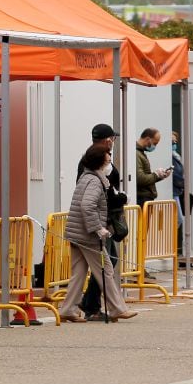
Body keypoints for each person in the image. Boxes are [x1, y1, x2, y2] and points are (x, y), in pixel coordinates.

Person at [58, 144, 137, 323]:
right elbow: (87, 205)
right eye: (107, 155)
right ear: (100, 160)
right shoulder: (95, 180)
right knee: (106, 269)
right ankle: (118, 308)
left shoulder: (87, 177)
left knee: (78, 273)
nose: (110, 157)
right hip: (88, 235)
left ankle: (68, 309)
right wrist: (98, 228)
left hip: (76, 232)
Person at [77, 124, 128, 321]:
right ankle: (95, 305)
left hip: (95, 221)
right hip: (97, 222)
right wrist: (121, 198)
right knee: (106, 263)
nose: (113, 142)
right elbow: (98, 196)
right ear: (108, 140)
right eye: (112, 139)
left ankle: (80, 305)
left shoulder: (89, 160)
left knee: (85, 268)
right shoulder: (98, 165)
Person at [135, 128, 171, 206]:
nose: (154, 146)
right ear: (148, 139)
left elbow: (145, 176)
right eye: (155, 143)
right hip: (142, 199)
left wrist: (160, 176)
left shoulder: (140, 153)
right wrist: (156, 175)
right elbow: (140, 178)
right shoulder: (137, 154)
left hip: (145, 198)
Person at [171, 131, 185, 256]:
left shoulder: (176, 156)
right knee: (178, 219)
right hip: (173, 191)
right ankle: (172, 249)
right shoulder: (171, 157)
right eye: (171, 142)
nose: (174, 144)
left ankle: (173, 249)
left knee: (178, 219)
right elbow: (176, 175)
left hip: (177, 190)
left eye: (175, 142)